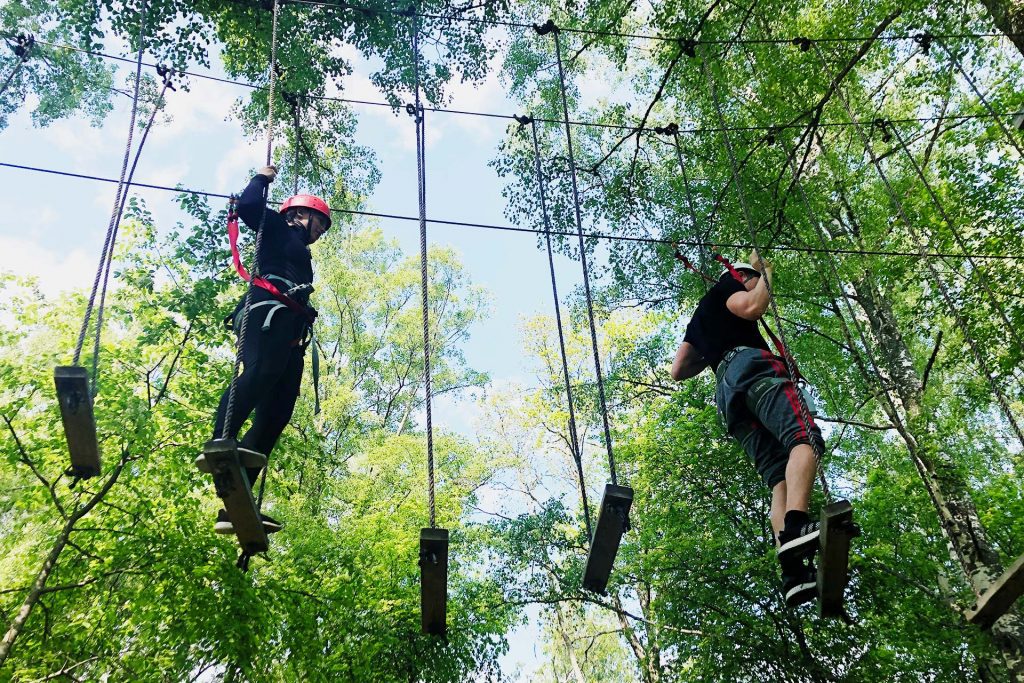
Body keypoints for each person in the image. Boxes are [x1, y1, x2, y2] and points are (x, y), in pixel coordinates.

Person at [670, 252, 824, 607]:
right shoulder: (729, 288)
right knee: (804, 440)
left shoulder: (701, 318)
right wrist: (764, 271)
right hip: (753, 371)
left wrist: (716, 352)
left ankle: (794, 572)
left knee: (778, 479)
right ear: (740, 278)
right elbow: (754, 306)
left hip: (729, 394)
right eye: (748, 280)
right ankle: (797, 524)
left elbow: (678, 369)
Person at [201, 164, 331, 535]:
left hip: (291, 327)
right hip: (267, 313)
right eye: (318, 223)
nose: (319, 232)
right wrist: (261, 178)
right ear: (298, 215)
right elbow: (247, 208)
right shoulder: (277, 227)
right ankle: (220, 441)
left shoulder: (299, 253)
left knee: (278, 412)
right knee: (260, 372)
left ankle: (236, 494)